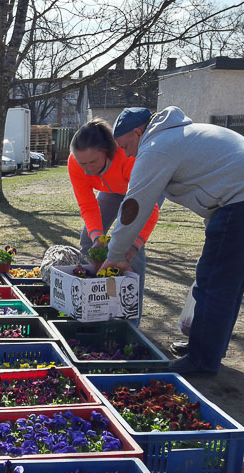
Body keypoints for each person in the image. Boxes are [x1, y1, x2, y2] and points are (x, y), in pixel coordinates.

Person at [102, 106, 244, 375]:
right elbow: (216, 181)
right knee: (228, 282)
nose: (127, 154)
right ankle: (208, 347)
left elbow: (134, 204)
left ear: (138, 132)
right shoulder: (181, 135)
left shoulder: (157, 146)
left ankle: (202, 361)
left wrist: (115, 254)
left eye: (125, 146)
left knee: (214, 282)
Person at [67, 118, 160, 321]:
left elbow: (150, 211)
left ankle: (130, 316)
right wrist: (97, 236)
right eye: (82, 163)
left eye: (92, 162)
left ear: (108, 152)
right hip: (111, 189)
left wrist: (133, 246)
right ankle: (95, 301)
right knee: (88, 240)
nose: (87, 169)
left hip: (138, 188)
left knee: (129, 246)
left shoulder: (129, 159)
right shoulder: (76, 164)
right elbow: (87, 205)